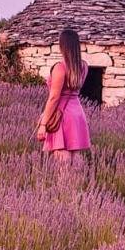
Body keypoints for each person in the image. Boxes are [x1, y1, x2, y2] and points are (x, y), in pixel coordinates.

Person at [38, 28, 92, 170]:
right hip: (77, 113)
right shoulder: (83, 66)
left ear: (62, 46)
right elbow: (73, 90)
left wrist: (43, 124)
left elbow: (54, 98)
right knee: (76, 154)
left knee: (62, 157)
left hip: (62, 115)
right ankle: (79, 187)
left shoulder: (60, 68)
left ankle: (65, 189)